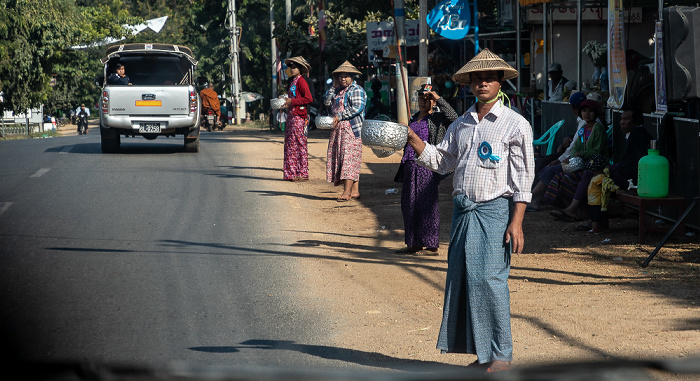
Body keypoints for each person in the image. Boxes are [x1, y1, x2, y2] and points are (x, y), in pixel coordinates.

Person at [405, 49, 534, 372]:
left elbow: (522, 178)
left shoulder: (515, 125)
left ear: (500, 82)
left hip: (494, 213)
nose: (482, 83)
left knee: (491, 281)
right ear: (470, 84)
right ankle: (484, 354)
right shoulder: (461, 124)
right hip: (463, 214)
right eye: (477, 79)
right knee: (467, 281)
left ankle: (501, 356)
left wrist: (516, 222)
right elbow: (442, 161)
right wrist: (411, 138)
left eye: (489, 78)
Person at [550, 107, 651, 222]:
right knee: (592, 174)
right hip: (627, 176)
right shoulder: (634, 134)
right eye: (621, 119)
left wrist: (613, 168)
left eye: (626, 119)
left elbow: (635, 164)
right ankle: (584, 213)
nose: (622, 122)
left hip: (632, 182)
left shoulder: (637, 134)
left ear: (636, 121)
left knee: (592, 173)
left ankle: (579, 212)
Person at [395, 83, 458, 255]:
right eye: (421, 98)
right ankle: (413, 243)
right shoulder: (413, 119)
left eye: (427, 98)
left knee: (427, 204)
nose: (423, 101)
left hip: (427, 167)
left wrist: (437, 97)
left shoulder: (437, 119)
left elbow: (455, 117)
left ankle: (431, 245)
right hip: (409, 166)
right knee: (409, 204)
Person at [545, 98, 608, 214]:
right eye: (584, 111)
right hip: (581, 163)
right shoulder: (583, 129)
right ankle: (570, 209)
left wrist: (582, 154)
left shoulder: (598, 129)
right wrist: (573, 156)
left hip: (594, 166)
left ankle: (577, 211)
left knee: (567, 179)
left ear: (595, 113)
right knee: (557, 177)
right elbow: (576, 147)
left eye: (590, 111)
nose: (587, 114)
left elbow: (597, 151)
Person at [528, 91, 586, 210]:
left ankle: (534, 198)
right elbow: (575, 142)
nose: (586, 113)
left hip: (579, 161)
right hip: (572, 157)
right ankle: (535, 198)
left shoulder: (589, 125)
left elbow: (579, 149)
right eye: (584, 110)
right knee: (543, 163)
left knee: (551, 168)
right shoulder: (582, 122)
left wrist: (561, 160)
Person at [323, 61, 367, 202]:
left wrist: (340, 116)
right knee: (347, 160)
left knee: (349, 160)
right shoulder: (338, 91)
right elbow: (326, 102)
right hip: (338, 131)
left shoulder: (356, 90)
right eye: (340, 76)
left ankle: (346, 192)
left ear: (352, 76)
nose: (343, 79)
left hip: (351, 131)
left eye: (346, 76)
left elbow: (358, 107)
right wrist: (332, 87)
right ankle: (355, 191)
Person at [281, 56, 313, 182]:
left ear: (300, 69)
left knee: (298, 144)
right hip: (291, 115)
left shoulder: (302, 81)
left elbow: (309, 98)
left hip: (299, 117)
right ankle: (291, 173)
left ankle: (301, 172)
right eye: (291, 67)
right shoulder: (292, 81)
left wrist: (293, 101)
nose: (292, 69)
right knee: (290, 144)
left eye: (295, 68)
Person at [584, 155, 617, 234]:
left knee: (595, 216)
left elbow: (607, 184)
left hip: (597, 201)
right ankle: (599, 227)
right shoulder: (597, 177)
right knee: (597, 215)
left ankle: (595, 228)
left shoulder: (600, 177)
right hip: (593, 200)